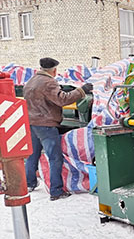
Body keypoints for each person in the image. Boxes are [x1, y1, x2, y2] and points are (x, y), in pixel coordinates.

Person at [23, 57, 93, 201]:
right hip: (46, 125)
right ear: (54, 70)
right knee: (55, 158)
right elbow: (63, 99)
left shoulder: (31, 81)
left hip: (32, 123)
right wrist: (82, 90)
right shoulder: (48, 82)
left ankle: (29, 183)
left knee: (32, 155)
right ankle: (56, 191)